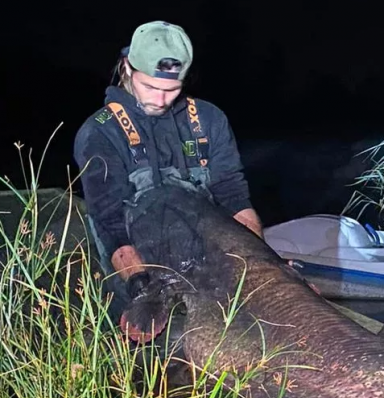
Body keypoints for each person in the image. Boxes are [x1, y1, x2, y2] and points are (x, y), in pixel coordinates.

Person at [73, 20, 263, 326]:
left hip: (211, 269)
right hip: (139, 271)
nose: (160, 100)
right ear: (127, 68)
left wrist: (264, 266)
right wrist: (140, 285)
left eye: (171, 90)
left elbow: (233, 194)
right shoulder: (99, 132)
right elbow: (108, 221)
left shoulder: (209, 119)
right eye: (150, 87)